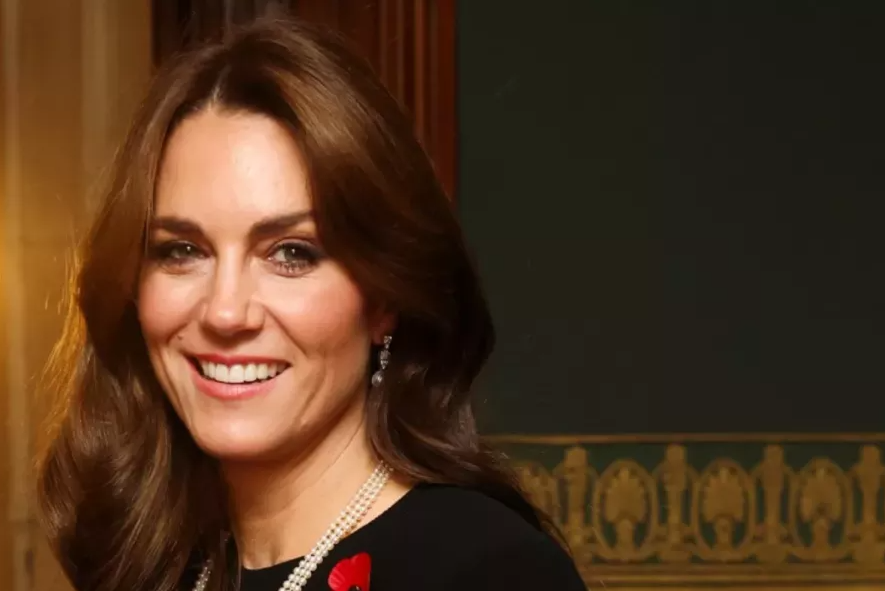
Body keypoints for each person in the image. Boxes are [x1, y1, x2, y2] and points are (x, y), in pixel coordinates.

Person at [35, 17, 587, 591]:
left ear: (383, 298)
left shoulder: (492, 572)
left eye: (291, 253)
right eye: (183, 250)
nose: (225, 312)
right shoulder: (155, 567)